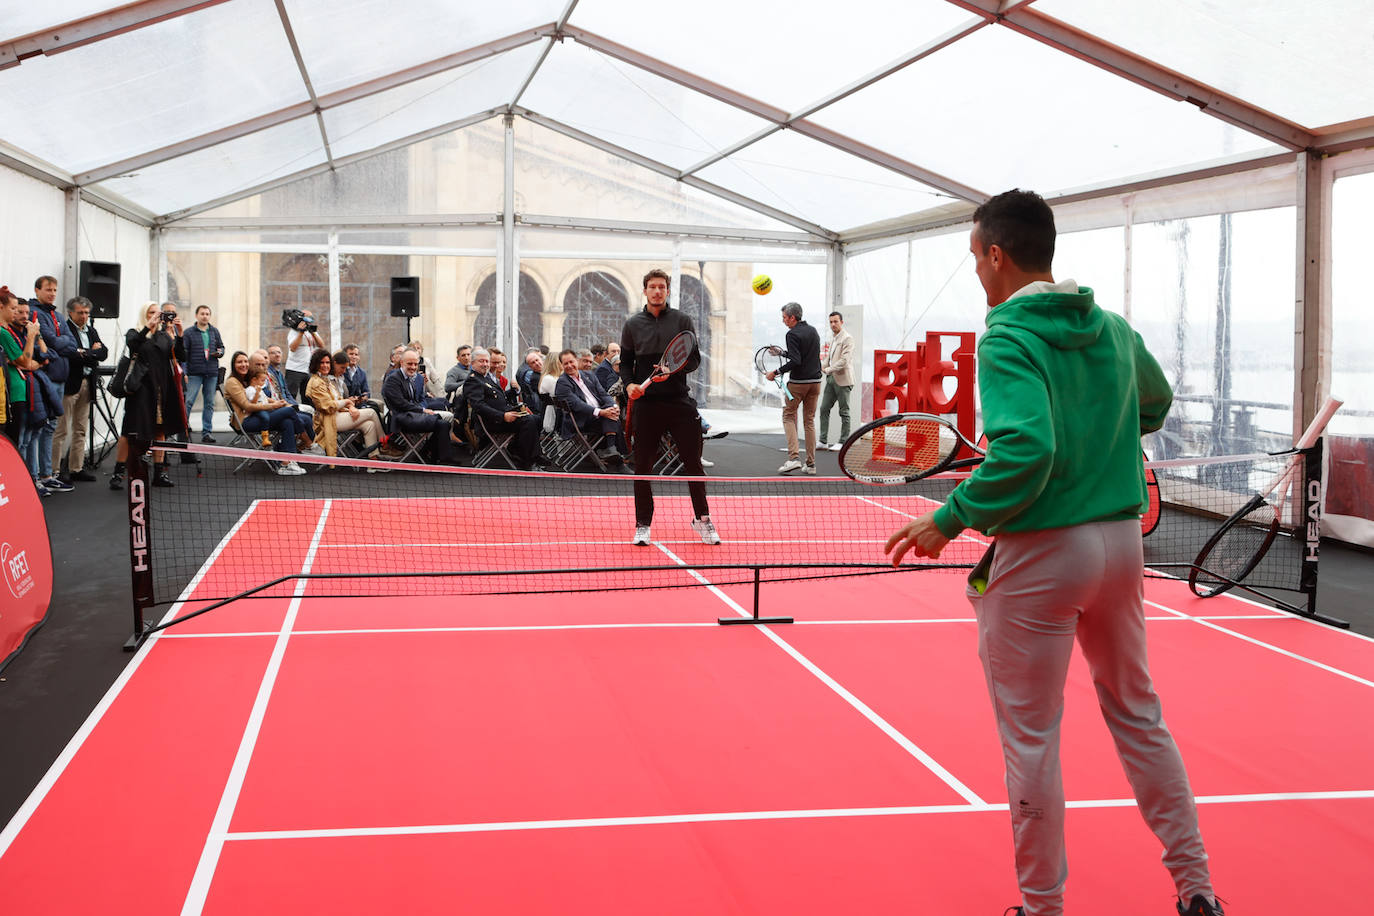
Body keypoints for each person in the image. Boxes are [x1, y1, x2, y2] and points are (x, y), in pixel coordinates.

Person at [883, 190, 1220, 916]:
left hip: (1042, 554)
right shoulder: (1112, 328)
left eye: (975, 257)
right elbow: (1153, 404)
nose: (976, 271)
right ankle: (1197, 889)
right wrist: (1100, 421)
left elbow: (1028, 453)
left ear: (997, 255)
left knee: (1031, 738)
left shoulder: (1006, 338)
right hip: (1123, 547)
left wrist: (951, 519)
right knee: (1139, 714)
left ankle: (1043, 908)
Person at [620, 268, 718, 546]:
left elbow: (695, 360)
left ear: (667, 290)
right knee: (642, 468)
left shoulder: (682, 320)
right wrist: (629, 385)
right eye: (652, 286)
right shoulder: (632, 325)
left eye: (662, 286)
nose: (657, 291)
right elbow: (626, 363)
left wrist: (672, 372)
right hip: (647, 406)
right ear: (645, 290)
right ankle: (642, 524)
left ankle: (703, 519)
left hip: (679, 402)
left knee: (693, 466)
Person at [119, 301, 189, 487]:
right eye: (151, 312)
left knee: (160, 430)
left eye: (158, 313)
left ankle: (159, 473)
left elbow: (181, 356)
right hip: (141, 390)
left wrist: (180, 334)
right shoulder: (135, 333)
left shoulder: (164, 336)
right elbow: (133, 346)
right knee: (130, 430)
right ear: (145, 314)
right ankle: (119, 473)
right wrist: (147, 327)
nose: (156, 316)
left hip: (161, 389)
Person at [28, 275, 77, 492]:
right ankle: (35, 475)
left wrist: (59, 346)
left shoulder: (57, 314)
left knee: (51, 427)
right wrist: (60, 346)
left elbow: (70, 342)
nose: (53, 293)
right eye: (48, 289)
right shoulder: (33, 312)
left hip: (60, 378)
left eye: (55, 290)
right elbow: (51, 341)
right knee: (38, 428)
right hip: (44, 378)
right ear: (37, 290)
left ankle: (47, 474)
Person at [221, 351, 306, 476]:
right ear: (233, 365)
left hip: (258, 417)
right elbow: (247, 406)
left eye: (245, 361)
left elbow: (262, 397)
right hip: (246, 421)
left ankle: (286, 462)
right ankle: (304, 438)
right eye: (239, 362)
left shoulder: (246, 380)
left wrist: (276, 402)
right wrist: (273, 405)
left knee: (287, 422)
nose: (243, 364)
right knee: (289, 411)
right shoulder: (232, 382)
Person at [52, 296, 108, 482]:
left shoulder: (91, 330)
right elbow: (69, 354)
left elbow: (103, 353)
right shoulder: (64, 329)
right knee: (61, 429)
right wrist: (91, 353)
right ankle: (54, 471)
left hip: (87, 383)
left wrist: (86, 353)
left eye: (86, 313)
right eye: (80, 313)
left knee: (81, 428)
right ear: (70, 312)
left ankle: (76, 468)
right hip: (69, 384)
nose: (84, 316)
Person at [462, 347, 543, 470]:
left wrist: (513, 391)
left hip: (501, 417)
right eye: (481, 361)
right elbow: (479, 406)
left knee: (536, 419)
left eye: (486, 361)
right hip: (492, 421)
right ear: (473, 363)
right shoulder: (473, 380)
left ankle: (517, 450)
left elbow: (498, 398)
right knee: (529, 421)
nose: (485, 364)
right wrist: (502, 416)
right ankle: (529, 461)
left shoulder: (485, 378)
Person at [768, 301, 822, 475]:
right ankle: (811, 465)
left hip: (798, 385)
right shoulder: (813, 330)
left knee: (789, 417)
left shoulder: (791, 334)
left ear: (792, 317)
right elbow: (801, 355)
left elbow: (796, 361)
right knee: (809, 421)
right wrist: (782, 353)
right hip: (815, 383)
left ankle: (793, 459)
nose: (783, 321)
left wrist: (775, 372)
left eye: (784, 317)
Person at [305, 349, 383, 464]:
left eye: (327, 362)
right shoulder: (316, 382)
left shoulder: (325, 380)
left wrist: (350, 407)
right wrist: (347, 403)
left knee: (369, 425)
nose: (325, 365)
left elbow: (339, 400)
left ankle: (373, 461)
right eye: (322, 363)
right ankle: (385, 444)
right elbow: (328, 406)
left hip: (338, 415)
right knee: (371, 412)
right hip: (329, 420)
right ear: (315, 364)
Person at [383, 347, 454, 464]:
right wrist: (422, 410)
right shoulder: (393, 379)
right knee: (441, 422)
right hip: (402, 418)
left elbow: (422, 399)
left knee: (444, 424)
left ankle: (437, 457)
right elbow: (400, 404)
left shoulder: (419, 378)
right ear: (401, 363)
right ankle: (438, 457)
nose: (413, 367)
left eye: (415, 364)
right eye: (409, 364)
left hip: (417, 415)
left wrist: (422, 409)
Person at [553, 348, 621, 462]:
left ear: (576, 360)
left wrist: (614, 406)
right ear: (561, 365)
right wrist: (601, 412)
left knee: (612, 414)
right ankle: (616, 456)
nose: (569, 365)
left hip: (596, 416)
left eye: (571, 362)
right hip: (580, 420)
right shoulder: (562, 382)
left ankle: (612, 452)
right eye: (566, 363)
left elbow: (603, 394)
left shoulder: (590, 375)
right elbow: (577, 404)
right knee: (612, 418)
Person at [182, 304, 225, 443]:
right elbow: (184, 354)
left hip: (211, 373)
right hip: (194, 373)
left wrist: (220, 352)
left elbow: (221, 347)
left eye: (207, 314)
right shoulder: (188, 333)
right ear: (196, 316)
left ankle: (207, 432)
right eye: (202, 313)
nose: (205, 316)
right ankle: (183, 429)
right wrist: (185, 373)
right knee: (188, 401)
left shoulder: (214, 331)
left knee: (209, 403)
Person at [818, 310, 855, 451]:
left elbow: (844, 361)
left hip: (844, 380)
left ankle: (843, 441)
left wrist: (828, 369)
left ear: (842, 322)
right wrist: (821, 367)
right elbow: (829, 357)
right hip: (831, 379)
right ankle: (823, 441)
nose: (833, 324)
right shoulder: (833, 338)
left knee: (844, 412)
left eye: (836, 321)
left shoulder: (847, 338)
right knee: (824, 409)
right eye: (831, 322)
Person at [285, 308, 326, 401]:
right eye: (307, 319)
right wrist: (300, 332)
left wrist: (313, 333)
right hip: (294, 369)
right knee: (291, 395)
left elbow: (322, 345)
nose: (309, 322)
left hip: (308, 369)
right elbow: (293, 348)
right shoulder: (293, 332)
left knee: (308, 397)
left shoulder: (310, 331)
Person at [516, 348, 544, 415]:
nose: (537, 363)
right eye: (533, 362)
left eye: (537, 359)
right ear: (530, 366)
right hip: (536, 407)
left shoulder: (541, 373)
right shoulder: (532, 375)